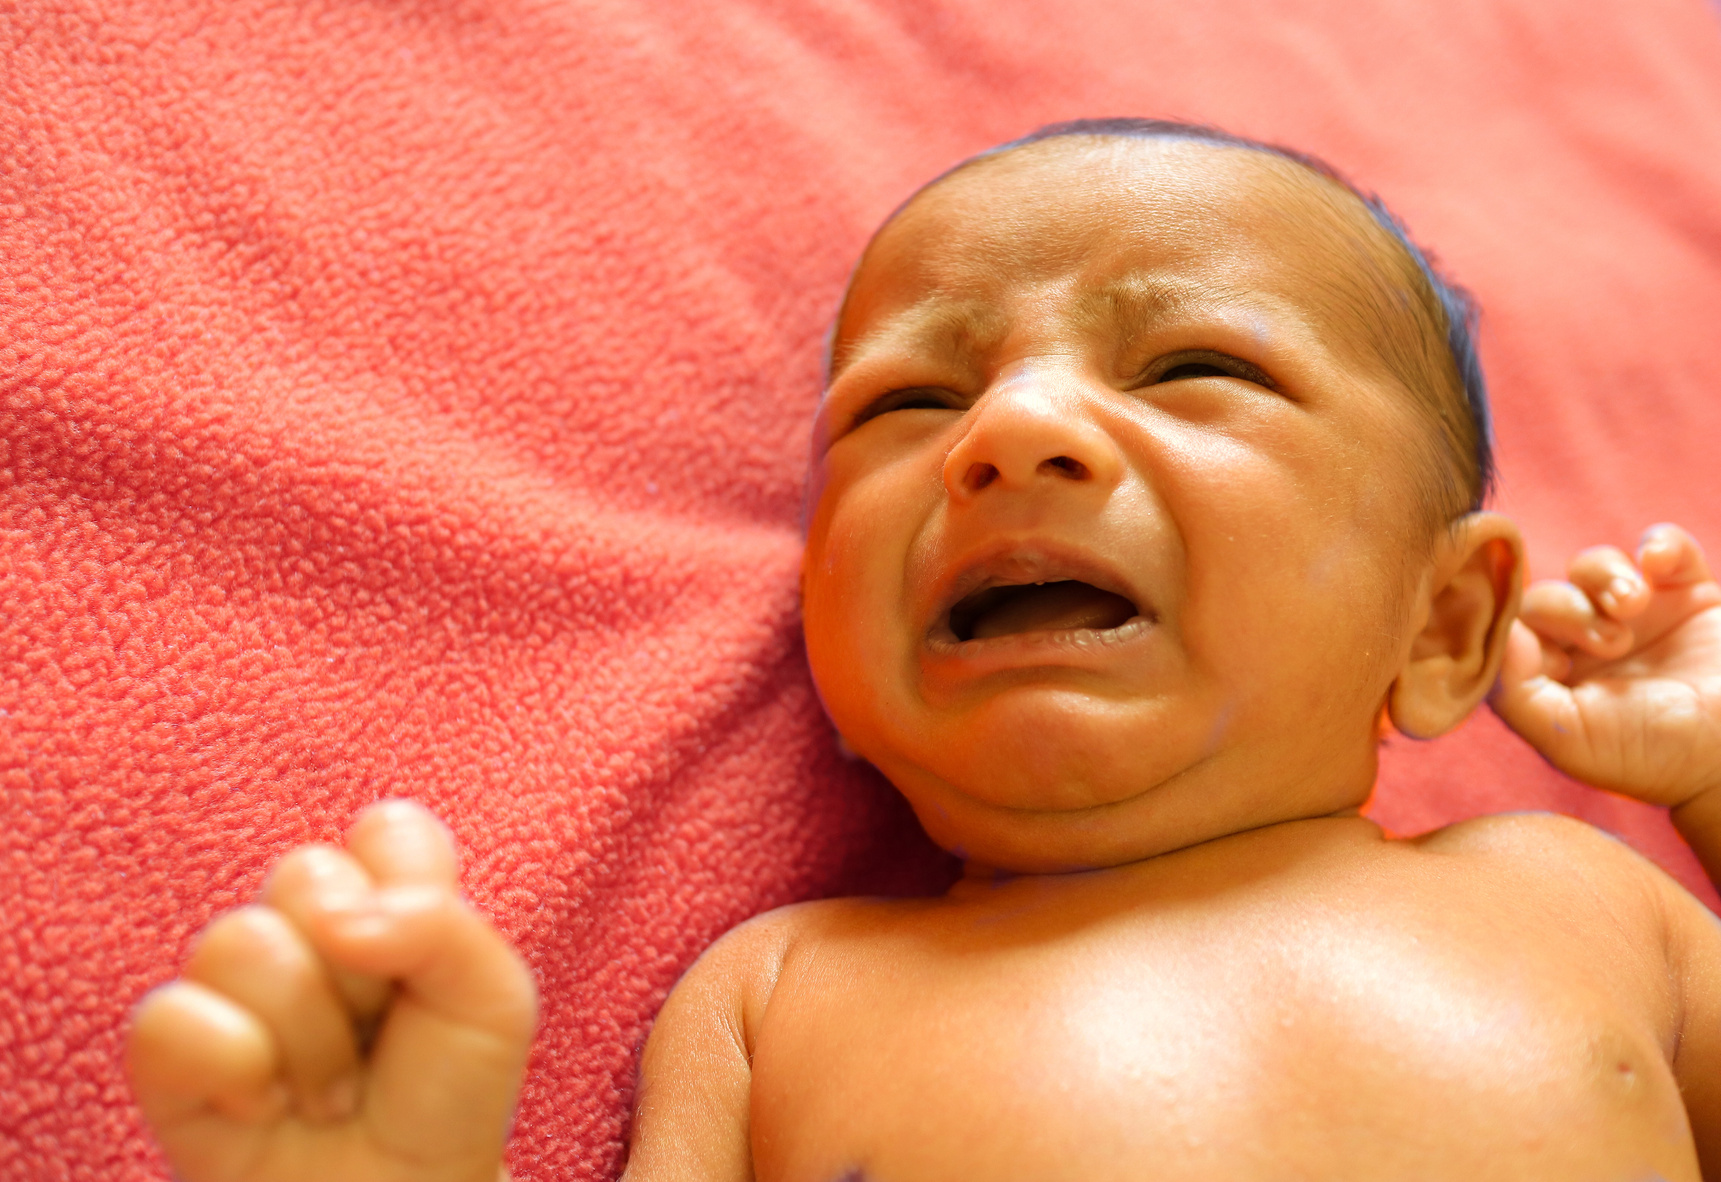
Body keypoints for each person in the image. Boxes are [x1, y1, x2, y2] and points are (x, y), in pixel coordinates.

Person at [127, 120, 1721, 1181]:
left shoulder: (1575, 898)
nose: (1010, 430)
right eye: (908, 404)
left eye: (1187, 365)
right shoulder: (780, 994)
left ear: (1444, 621)